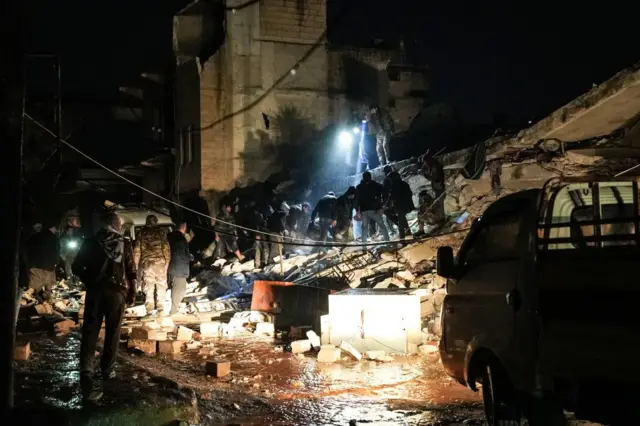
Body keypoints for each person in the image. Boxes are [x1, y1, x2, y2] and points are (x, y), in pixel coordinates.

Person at [74, 212, 136, 400]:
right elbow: (132, 270)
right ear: (115, 225)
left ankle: (86, 369)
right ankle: (107, 370)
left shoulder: (90, 242)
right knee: (113, 331)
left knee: (90, 330)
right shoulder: (123, 244)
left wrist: (89, 281)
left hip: (95, 292)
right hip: (116, 293)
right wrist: (132, 292)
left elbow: (76, 266)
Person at [133, 215, 170, 316]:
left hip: (148, 263)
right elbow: (166, 248)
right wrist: (167, 262)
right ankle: (161, 309)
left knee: (149, 286)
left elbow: (137, 250)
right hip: (160, 263)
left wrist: (136, 265)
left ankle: (149, 310)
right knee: (161, 285)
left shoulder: (141, 233)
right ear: (156, 222)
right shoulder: (161, 233)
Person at [25, 221, 60, 302]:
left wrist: (29, 263)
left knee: (36, 285)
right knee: (48, 284)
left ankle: (36, 301)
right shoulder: (54, 238)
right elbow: (57, 251)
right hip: (49, 265)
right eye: (55, 228)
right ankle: (47, 301)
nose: (56, 230)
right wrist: (56, 263)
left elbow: (27, 250)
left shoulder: (34, 237)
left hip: (35, 265)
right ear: (51, 228)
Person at [356, 171, 389, 243]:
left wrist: (357, 211)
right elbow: (384, 190)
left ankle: (364, 248)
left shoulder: (358, 187)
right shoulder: (375, 185)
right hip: (374, 210)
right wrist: (383, 204)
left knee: (364, 229)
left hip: (364, 211)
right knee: (382, 226)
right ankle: (388, 242)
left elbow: (357, 200)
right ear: (370, 177)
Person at [167, 222, 193, 315]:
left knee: (174, 288)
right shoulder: (181, 239)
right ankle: (174, 312)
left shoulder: (170, 236)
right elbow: (183, 254)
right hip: (179, 269)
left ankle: (173, 309)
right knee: (179, 290)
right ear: (184, 227)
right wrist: (191, 257)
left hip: (171, 267)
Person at [385, 169, 415, 239]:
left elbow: (392, 197)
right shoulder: (404, 183)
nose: (390, 180)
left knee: (400, 222)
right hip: (405, 205)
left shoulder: (394, 186)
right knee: (402, 219)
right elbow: (409, 194)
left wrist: (388, 205)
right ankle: (408, 231)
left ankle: (402, 238)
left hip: (401, 206)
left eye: (390, 179)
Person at [421, 152, 446, 223]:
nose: (426, 164)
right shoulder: (434, 166)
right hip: (437, 187)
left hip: (439, 187)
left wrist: (426, 174)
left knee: (440, 203)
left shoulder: (435, 167)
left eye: (426, 162)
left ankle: (442, 218)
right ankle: (441, 218)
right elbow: (433, 178)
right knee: (438, 203)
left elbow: (435, 178)